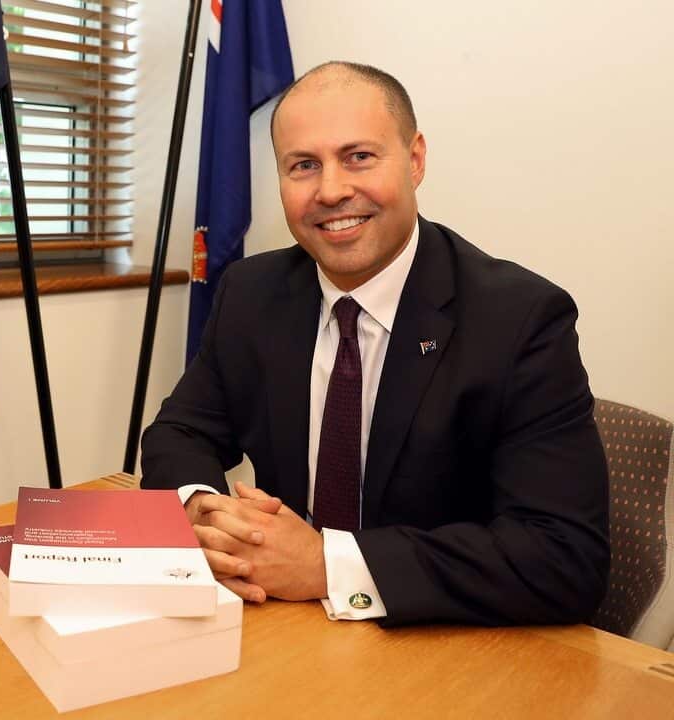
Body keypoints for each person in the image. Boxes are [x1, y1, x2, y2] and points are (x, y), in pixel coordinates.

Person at [140, 61, 609, 627]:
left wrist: (326, 565)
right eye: (303, 166)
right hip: (286, 626)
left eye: (358, 156)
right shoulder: (252, 293)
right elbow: (180, 432)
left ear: (415, 160)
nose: (331, 190)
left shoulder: (520, 319)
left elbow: (564, 558)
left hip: (439, 643)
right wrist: (203, 514)